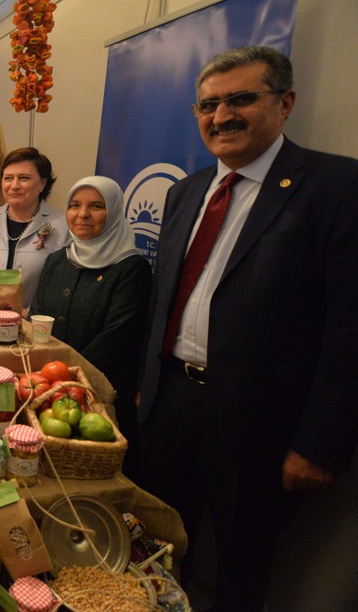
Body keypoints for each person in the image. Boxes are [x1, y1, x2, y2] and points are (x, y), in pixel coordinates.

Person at [136, 45, 358, 610]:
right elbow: (166, 299)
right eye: (208, 105)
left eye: (241, 99)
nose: (222, 116)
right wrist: (148, 387)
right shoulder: (186, 191)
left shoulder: (336, 189)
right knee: (155, 544)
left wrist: (319, 443)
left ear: (284, 103)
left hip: (261, 421)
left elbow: (348, 330)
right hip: (172, 405)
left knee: (241, 561)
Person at [30, 176, 150, 476]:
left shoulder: (131, 268)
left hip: (100, 390)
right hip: (54, 388)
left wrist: (65, 375)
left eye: (96, 206)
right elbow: (39, 315)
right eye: (75, 205)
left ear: (114, 212)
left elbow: (117, 335)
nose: (82, 214)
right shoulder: (58, 259)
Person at [0, 147, 69, 308]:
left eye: (24, 178)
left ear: (42, 183)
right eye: (8, 178)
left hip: (35, 326)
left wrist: (30, 314)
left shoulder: (62, 226)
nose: (14, 185)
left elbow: (62, 287)